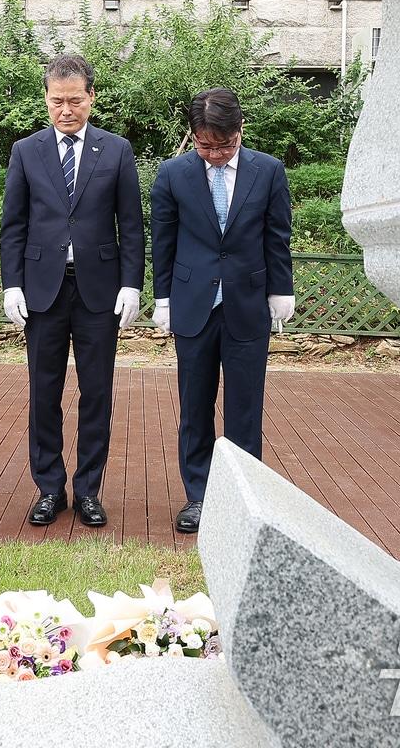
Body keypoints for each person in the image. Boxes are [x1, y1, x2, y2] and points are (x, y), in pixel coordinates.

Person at [0, 53, 144, 528]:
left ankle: (88, 490)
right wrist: (12, 284)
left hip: (98, 292)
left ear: (91, 98)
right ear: (46, 99)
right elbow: (13, 225)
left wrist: (131, 284)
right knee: (44, 392)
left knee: (96, 392)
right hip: (42, 291)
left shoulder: (116, 150)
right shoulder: (26, 151)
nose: (66, 110)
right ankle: (48, 488)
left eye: (75, 101)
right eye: (57, 101)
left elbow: (132, 225)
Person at [149, 88, 294, 533]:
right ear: (192, 137)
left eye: (223, 145)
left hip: (248, 305)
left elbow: (276, 236)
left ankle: (244, 497)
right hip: (194, 306)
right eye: (204, 145)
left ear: (240, 131)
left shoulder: (267, 171)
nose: (214, 154)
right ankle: (199, 495)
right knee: (195, 406)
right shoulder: (173, 175)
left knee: (245, 406)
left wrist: (280, 291)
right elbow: (164, 241)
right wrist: (163, 299)